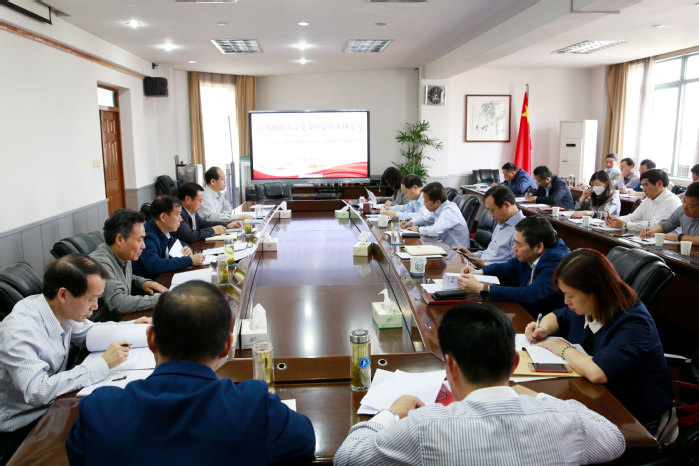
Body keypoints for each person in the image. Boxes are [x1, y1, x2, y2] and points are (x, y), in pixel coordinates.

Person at [334, 303, 625, 465]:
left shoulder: (424, 427)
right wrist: (538, 397)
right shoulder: (567, 421)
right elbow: (615, 439)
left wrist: (391, 413)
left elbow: (347, 458)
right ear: (514, 363)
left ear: (451, 366)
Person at [66, 281, 316, 464]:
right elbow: (304, 442)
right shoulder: (254, 406)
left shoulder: (98, 411)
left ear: (151, 339)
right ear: (227, 347)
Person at [0, 255, 148, 463]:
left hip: (53, 405)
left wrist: (132, 326)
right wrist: (101, 364)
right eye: (91, 299)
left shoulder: (56, 308)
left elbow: (89, 332)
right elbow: (37, 391)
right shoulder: (20, 330)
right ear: (63, 294)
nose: (96, 306)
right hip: (23, 425)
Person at [526, 249, 677, 446]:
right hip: (597, 399)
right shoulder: (586, 306)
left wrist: (562, 348)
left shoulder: (634, 322)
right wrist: (543, 328)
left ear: (595, 291)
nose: (566, 301)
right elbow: (557, 316)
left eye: (570, 295)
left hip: (638, 421)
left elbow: (598, 372)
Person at [458, 216, 569, 316]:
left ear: (539, 247)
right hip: (525, 311)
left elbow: (531, 294)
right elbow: (508, 266)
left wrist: (483, 288)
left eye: (519, 244)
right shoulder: (530, 253)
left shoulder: (556, 261)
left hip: (541, 320)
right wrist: (479, 272)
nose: (513, 248)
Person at [90, 209, 168, 322]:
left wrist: (142, 282)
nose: (144, 246)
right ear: (119, 239)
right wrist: (163, 299)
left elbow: (120, 277)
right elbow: (119, 303)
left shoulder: (122, 252)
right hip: (107, 326)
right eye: (139, 240)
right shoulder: (100, 263)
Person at [132, 195, 204, 279]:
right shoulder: (147, 236)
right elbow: (154, 265)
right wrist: (190, 260)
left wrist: (188, 249)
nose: (181, 219)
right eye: (178, 215)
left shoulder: (164, 230)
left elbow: (181, 244)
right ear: (163, 217)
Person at [454, 185, 524, 266]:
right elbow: (491, 253)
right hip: (481, 268)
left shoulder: (522, 230)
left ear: (506, 205)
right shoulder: (501, 222)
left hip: (493, 272)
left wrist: (485, 265)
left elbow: (516, 267)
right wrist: (472, 255)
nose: (490, 215)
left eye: (492, 210)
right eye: (488, 210)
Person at [606, 169, 681, 231]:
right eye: (642, 186)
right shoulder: (649, 198)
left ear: (659, 184)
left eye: (646, 185)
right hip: (646, 238)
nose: (644, 190)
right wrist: (615, 220)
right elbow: (633, 218)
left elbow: (656, 226)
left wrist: (625, 225)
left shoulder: (671, 201)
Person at [400, 182, 470, 248]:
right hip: (443, 246)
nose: (425, 205)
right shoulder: (438, 208)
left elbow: (434, 231)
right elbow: (425, 218)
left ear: (437, 202)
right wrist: (411, 222)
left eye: (426, 203)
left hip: (456, 252)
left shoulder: (450, 211)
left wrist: (418, 229)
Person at [172, 182, 242, 244]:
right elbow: (189, 236)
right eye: (199, 201)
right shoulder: (178, 214)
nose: (201, 204)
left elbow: (203, 224)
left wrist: (227, 224)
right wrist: (212, 230)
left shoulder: (191, 211)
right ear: (188, 199)